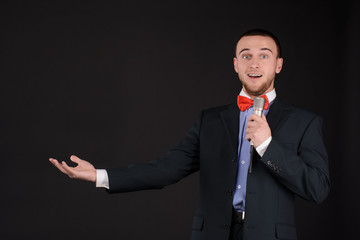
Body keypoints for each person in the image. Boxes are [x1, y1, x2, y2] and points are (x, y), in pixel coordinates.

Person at [49, 29, 330, 240]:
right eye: (246, 56)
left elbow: (317, 188)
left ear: (278, 64)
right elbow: (166, 169)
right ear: (235, 64)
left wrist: (268, 146)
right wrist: (99, 175)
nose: (254, 64)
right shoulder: (210, 120)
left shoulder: (304, 122)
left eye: (263, 56)